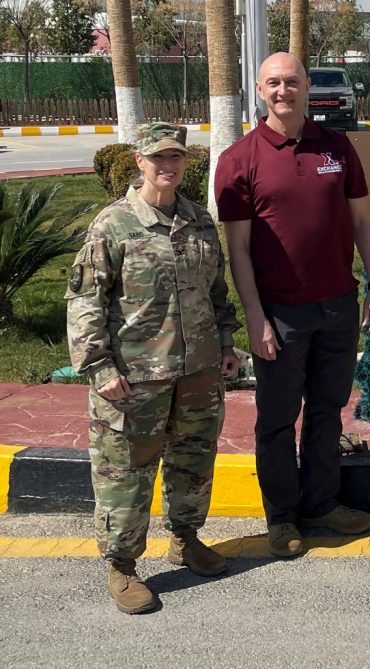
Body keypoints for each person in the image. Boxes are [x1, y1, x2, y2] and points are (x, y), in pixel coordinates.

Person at [214, 53, 370, 559]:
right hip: (280, 315)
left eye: (291, 81)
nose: (283, 90)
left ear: (307, 85)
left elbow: (362, 223)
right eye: (273, 83)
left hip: (336, 305)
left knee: (328, 410)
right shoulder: (239, 159)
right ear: (259, 90)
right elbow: (238, 251)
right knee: (276, 419)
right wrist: (255, 317)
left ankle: (321, 504)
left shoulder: (336, 147)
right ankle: (282, 517)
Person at [66, 123, 240, 614]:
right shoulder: (114, 224)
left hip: (198, 372)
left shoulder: (200, 221)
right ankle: (121, 566)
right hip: (132, 378)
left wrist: (227, 344)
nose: (168, 166)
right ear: (139, 161)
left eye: (176, 158)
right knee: (126, 472)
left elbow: (217, 293)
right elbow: (84, 301)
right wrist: (99, 367)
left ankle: (185, 539)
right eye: (158, 157)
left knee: (193, 462)